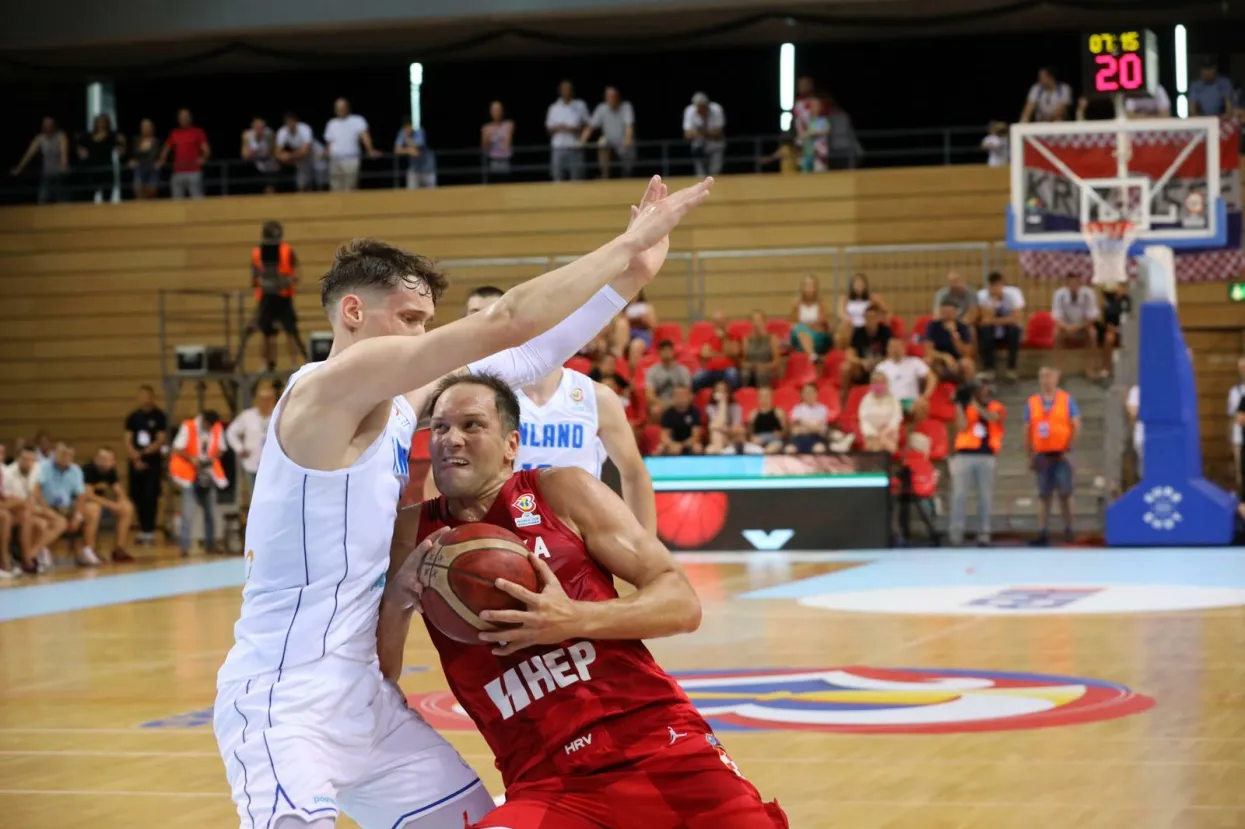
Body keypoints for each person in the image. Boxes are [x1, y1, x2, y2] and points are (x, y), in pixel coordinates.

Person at [212, 175, 713, 829]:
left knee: (474, 818)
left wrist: (627, 281)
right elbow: (503, 321)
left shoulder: (396, 399)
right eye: (411, 320)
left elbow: (528, 351)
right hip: (284, 696)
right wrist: (623, 245)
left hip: (362, 693)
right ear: (354, 313)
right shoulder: (327, 389)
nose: (423, 335)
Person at [377, 373, 789, 829]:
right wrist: (397, 599)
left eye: (472, 425)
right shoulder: (406, 534)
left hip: (656, 740)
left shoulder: (562, 491)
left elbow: (681, 602)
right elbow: (381, 674)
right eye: (439, 428)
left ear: (511, 444)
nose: (451, 439)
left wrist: (573, 617)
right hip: (546, 781)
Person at [426, 363, 656, 533]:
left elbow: (634, 474)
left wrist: (648, 552)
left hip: (577, 532)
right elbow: (442, 473)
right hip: (504, 530)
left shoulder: (596, 397)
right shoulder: (490, 398)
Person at [240, 220, 307, 371]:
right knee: (266, 332)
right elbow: (254, 276)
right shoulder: (257, 252)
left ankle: (295, 362)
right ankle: (265, 364)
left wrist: (288, 280)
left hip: (283, 296)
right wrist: (261, 282)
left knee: (290, 330)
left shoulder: (286, 250)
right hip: (266, 297)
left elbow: (297, 271)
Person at [1025, 366, 1081, 545]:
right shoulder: (1032, 402)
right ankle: (1042, 531)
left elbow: (1076, 425)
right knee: (1044, 495)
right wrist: (1029, 454)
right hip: (1042, 454)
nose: (1046, 380)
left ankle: (1069, 529)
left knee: (1066, 493)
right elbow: (1027, 429)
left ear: (1057, 378)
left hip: (1062, 454)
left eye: (1049, 377)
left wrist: (1069, 447)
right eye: (1043, 377)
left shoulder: (1066, 400)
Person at [949, 380, 1005, 546]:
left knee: (984, 496)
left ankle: (984, 533)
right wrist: (959, 405)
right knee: (959, 495)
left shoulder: (996, 406)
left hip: (986, 455)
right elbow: (962, 427)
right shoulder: (966, 406)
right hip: (964, 455)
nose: (980, 391)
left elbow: (992, 417)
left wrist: (975, 405)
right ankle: (956, 533)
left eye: (982, 388)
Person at [169, 409, 228, 556]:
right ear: (203, 421)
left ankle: (210, 544)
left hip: (208, 473)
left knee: (211, 511)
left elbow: (221, 449)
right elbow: (177, 448)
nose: (210, 428)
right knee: (188, 512)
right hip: (190, 473)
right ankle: (184, 546)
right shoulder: (188, 426)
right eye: (208, 425)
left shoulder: (216, 427)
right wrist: (192, 459)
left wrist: (212, 458)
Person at [124, 384, 168, 545]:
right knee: (136, 495)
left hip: (152, 462)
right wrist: (135, 456)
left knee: (151, 495)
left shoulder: (159, 416)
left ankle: (149, 530)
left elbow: (161, 438)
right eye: (140, 395)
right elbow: (128, 439)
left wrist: (145, 453)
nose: (142, 399)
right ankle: (142, 528)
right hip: (135, 462)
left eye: (145, 395)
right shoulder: (133, 417)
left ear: (151, 397)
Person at [225, 381, 277, 507]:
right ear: (257, 400)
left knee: (272, 500)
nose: (265, 402)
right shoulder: (247, 416)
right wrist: (240, 449)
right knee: (255, 501)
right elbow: (231, 432)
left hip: (273, 466)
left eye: (268, 399)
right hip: (252, 464)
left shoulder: (278, 415)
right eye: (262, 399)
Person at [80, 447, 135, 563]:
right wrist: (112, 505)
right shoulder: (88, 469)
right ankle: (90, 550)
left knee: (127, 508)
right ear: (96, 459)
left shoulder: (110, 471)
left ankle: (118, 549)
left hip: (101, 504)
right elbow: (88, 495)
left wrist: (121, 501)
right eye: (102, 458)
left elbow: (119, 490)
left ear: (113, 461)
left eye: (108, 459)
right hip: (81, 505)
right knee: (93, 508)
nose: (105, 461)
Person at [976, 272, 1025, 382]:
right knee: (985, 331)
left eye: (998, 285)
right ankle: (989, 368)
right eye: (993, 286)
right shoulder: (982, 295)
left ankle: (1011, 368)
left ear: (1002, 284)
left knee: (1014, 331)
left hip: (1008, 328)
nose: (995, 288)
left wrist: (995, 320)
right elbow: (985, 320)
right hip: (993, 328)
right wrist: (993, 301)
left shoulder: (1014, 293)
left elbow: (1016, 318)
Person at [876, 336, 935, 421]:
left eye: (898, 346)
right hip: (890, 401)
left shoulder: (915, 362)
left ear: (904, 348)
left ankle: (916, 433)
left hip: (910, 401)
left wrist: (925, 396)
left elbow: (932, 377)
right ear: (888, 350)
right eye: (892, 347)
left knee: (921, 406)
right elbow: (875, 387)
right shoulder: (881, 367)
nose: (895, 350)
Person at [857, 372, 902, 453]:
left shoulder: (893, 400)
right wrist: (875, 434)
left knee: (888, 445)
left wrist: (885, 432)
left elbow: (896, 418)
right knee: (875, 446)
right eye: (876, 382)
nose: (879, 385)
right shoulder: (866, 400)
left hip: (889, 433)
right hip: (872, 435)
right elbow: (864, 420)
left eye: (881, 382)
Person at [657, 385, 704, 456]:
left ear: (689, 397)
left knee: (698, 448)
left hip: (689, 443)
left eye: (683, 395)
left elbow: (696, 436)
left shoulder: (695, 412)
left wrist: (681, 445)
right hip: (673, 444)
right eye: (677, 395)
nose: (680, 398)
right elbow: (664, 436)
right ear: (673, 398)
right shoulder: (668, 413)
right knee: (660, 449)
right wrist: (672, 444)